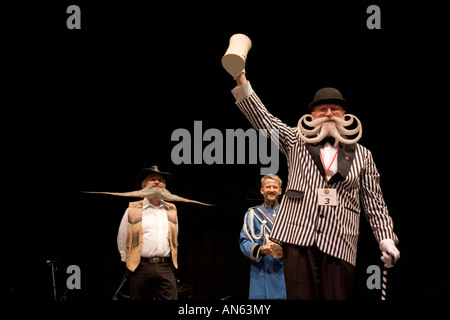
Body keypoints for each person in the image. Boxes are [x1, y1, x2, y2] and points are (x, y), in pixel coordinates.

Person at [224, 56, 400, 299]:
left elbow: (374, 202)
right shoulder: (296, 140)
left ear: (345, 115)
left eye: (334, 109)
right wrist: (240, 77)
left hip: (340, 240)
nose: (328, 113)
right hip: (298, 237)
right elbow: (263, 119)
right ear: (312, 115)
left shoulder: (362, 154)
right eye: (322, 109)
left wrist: (386, 239)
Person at [117, 165, 178, 300]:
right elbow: (122, 238)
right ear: (144, 186)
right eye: (152, 179)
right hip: (141, 267)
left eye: (160, 180)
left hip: (165, 266)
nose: (157, 182)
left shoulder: (171, 209)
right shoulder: (133, 209)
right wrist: (129, 262)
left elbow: (174, 238)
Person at [239, 174, 287, 300]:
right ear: (262, 190)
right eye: (268, 187)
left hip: (284, 271)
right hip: (260, 272)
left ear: (280, 191)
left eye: (275, 187)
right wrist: (260, 250)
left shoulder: (288, 215)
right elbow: (244, 242)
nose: (271, 190)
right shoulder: (252, 214)